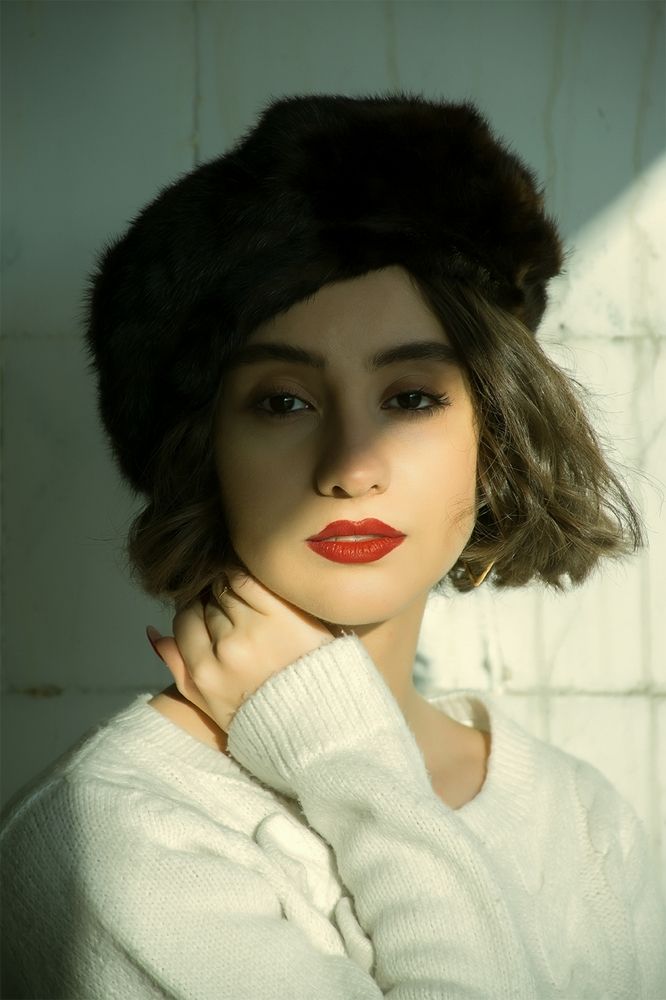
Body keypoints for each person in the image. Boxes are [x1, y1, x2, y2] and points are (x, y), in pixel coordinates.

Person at [1, 92, 664, 999]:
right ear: (203, 452)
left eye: (411, 397)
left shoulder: (584, 819)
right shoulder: (116, 836)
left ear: (497, 434)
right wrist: (348, 759)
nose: (353, 466)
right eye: (283, 402)